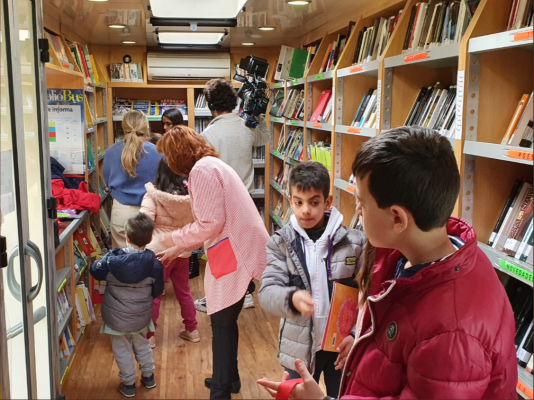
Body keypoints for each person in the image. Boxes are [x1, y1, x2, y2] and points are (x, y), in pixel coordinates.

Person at [257, 127, 518, 399]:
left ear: (397, 219)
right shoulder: (405, 252)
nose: (356, 210)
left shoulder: (451, 336)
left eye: (361, 203)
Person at [155, 126, 269, 399]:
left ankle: (221, 391)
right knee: (225, 321)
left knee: (221, 323)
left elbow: (209, 223)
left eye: (169, 158)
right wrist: (178, 245)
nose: (169, 165)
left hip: (236, 252)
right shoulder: (212, 164)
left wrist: (172, 237)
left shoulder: (202, 171)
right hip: (236, 248)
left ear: (178, 156)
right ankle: (230, 380)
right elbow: (213, 221)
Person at [259, 161, 365, 398]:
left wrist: (356, 334)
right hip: (299, 349)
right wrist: (291, 297)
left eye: (314, 202)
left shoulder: (356, 243)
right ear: (290, 201)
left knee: (343, 396)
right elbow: (266, 294)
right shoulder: (280, 243)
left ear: (327, 202)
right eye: (298, 202)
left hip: (342, 347)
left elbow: (367, 295)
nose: (306, 210)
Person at [195, 78, 270, 313]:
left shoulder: (208, 134)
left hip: (220, 201)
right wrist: (259, 116)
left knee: (220, 250)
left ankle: (220, 297)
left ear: (210, 106)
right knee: (243, 247)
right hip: (245, 198)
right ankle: (245, 294)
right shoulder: (246, 126)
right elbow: (265, 138)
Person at [90, 213, 164, 398]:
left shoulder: (110, 261)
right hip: (141, 316)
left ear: (126, 237)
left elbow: (95, 271)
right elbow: (157, 290)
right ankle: (148, 377)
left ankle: (129, 383)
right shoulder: (154, 265)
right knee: (142, 344)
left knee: (121, 349)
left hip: (116, 319)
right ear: (150, 239)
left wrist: (99, 260)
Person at [140, 157, 199, 348]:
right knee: (184, 292)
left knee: (155, 295)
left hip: (158, 252)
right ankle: (192, 330)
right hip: (181, 250)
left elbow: (145, 224)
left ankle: (149, 336)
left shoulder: (152, 196)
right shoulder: (191, 197)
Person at [103, 110, 163, 248]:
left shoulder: (111, 152)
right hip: (149, 211)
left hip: (121, 211)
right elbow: (162, 183)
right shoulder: (157, 152)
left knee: (122, 261)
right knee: (148, 260)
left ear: (123, 128)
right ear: (146, 129)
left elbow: (107, 181)